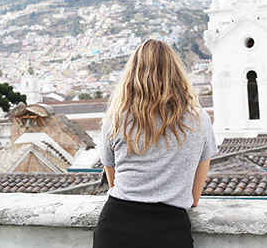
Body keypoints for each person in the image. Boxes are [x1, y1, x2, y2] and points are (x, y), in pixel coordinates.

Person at [93, 39, 218, 248]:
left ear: (132, 74)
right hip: (169, 232)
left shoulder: (115, 119)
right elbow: (194, 198)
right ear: (176, 73)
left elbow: (114, 182)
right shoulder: (199, 120)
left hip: (115, 229)